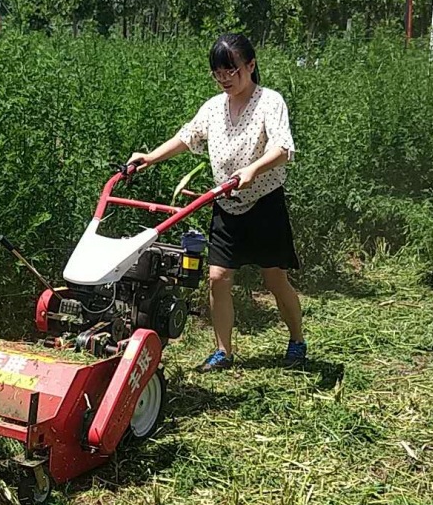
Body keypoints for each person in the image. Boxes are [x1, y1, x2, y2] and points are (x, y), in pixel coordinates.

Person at [129, 33, 306, 372]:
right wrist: (149, 158)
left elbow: (283, 148)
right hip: (226, 204)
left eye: (231, 71)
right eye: (218, 73)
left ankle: (297, 339)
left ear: (250, 66)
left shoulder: (270, 101)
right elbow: (187, 137)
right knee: (218, 277)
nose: (225, 79)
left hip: (265, 202)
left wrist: (253, 170)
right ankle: (223, 351)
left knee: (274, 278)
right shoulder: (213, 108)